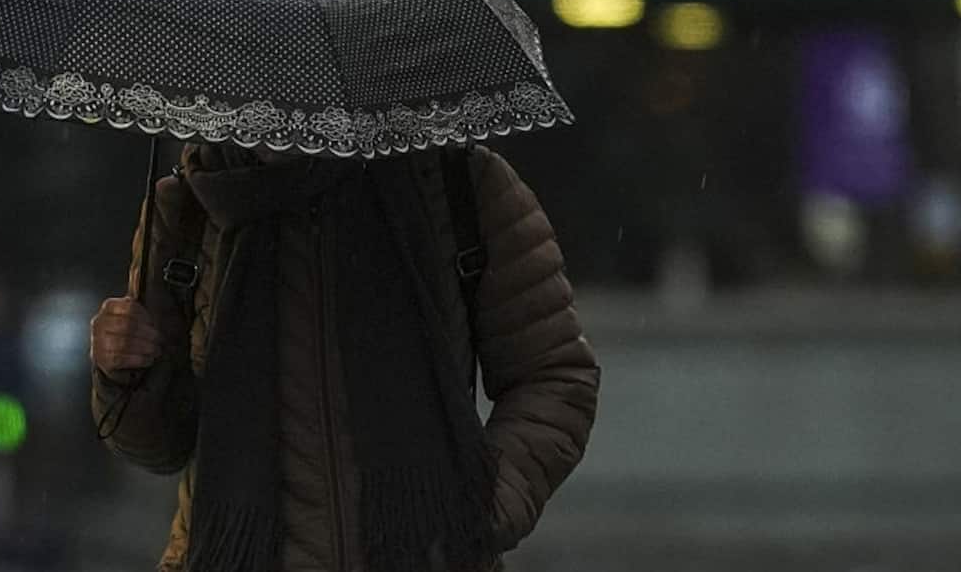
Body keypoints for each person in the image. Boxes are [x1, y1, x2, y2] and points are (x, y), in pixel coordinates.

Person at [90, 142, 599, 572]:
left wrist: (480, 507)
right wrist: (124, 371)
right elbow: (156, 443)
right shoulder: (189, 207)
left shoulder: (457, 181)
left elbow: (554, 374)